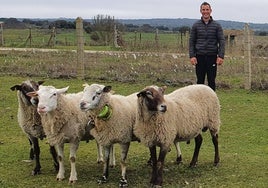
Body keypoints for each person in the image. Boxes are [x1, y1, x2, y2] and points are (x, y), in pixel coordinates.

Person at [189, 2, 225, 91]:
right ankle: (199, 104)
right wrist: (192, 56)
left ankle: (212, 104)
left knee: (211, 81)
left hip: (212, 57)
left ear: (211, 11)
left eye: (207, 10)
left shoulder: (217, 26)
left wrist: (221, 56)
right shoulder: (196, 25)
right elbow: (191, 41)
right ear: (200, 11)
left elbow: (222, 41)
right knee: (200, 82)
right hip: (199, 57)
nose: (205, 12)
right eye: (203, 10)